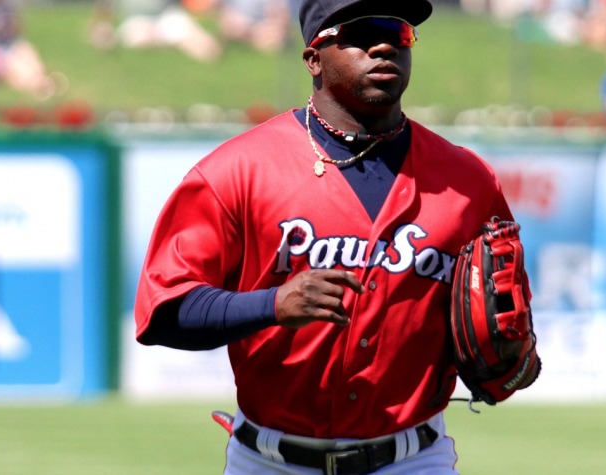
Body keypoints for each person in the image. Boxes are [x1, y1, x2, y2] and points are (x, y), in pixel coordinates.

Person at [134, 0, 529, 473]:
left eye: (397, 33)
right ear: (313, 59)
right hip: (271, 461)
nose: (383, 45)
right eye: (361, 33)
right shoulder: (236, 172)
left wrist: (511, 351)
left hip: (413, 459)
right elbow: (164, 311)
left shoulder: (467, 181)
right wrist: (272, 305)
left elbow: (506, 312)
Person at [0, 0, 62, 100]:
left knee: (24, 49)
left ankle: (40, 79)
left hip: (6, 44)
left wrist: (8, 26)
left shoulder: (7, 5)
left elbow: (18, 31)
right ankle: (38, 85)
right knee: (10, 61)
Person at [88, 0, 221, 62]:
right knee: (139, 35)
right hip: (136, 21)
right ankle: (178, 43)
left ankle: (179, 42)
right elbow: (104, 9)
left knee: (206, 47)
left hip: (166, 17)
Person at [215, 0, 293, 53]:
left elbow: (282, 19)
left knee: (275, 37)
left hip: (265, 27)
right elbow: (222, 14)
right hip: (240, 24)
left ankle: (250, 41)